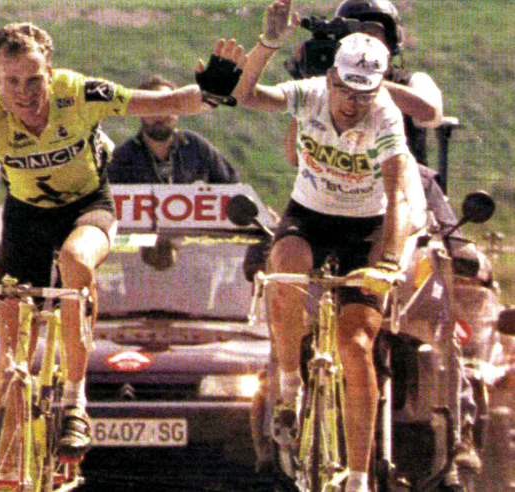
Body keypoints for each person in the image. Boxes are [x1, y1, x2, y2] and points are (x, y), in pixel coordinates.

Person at [0, 22, 215, 459]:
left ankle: (74, 401)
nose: (24, 93)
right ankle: (10, 464)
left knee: (75, 260)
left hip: (87, 207)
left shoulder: (79, 93)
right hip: (26, 218)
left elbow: (165, 103)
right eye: (11, 81)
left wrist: (214, 90)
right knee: (11, 354)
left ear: (51, 73)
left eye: (34, 80)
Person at [208, 2, 428, 490]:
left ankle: (359, 477)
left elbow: (397, 197)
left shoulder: (386, 118)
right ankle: (288, 385)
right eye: (345, 89)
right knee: (285, 272)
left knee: (356, 346)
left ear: (379, 88)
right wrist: (268, 43)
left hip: (366, 228)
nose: (352, 103)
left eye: (364, 93)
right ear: (330, 78)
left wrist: (390, 263)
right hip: (311, 216)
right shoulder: (309, 95)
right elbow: (245, 95)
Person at [284, 0, 443, 169]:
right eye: (355, 36)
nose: (364, 43)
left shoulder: (413, 81)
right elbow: (295, 157)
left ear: (391, 41)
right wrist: (311, 86)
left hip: (405, 177)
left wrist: (364, 82)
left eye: (371, 35)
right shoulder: (331, 86)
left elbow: (430, 113)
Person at [108, 75, 239, 184]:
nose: (160, 115)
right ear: (139, 112)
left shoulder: (196, 147)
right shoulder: (122, 158)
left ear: (179, 111)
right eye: (152, 108)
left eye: (167, 107)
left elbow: (233, 188)